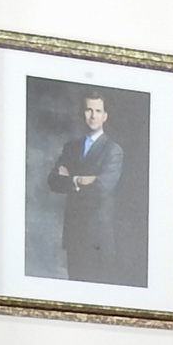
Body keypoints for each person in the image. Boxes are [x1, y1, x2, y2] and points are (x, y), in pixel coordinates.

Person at [45, 90, 125, 281]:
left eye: (98, 111)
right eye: (89, 110)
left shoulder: (113, 150)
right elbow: (53, 181)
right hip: (74, 234)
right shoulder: (71, 147)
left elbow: (100, 189)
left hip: (97, 238)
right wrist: (79, 180)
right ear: (83, 113)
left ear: (105, 116)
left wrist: (70, 179)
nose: (93, 116)